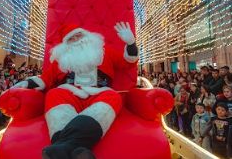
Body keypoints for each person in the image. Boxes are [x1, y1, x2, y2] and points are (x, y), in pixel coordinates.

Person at [13, 22, 139, 158]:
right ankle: (80, 151)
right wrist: (27, 83)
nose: (77, 40)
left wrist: (131, 44)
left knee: (113, 97)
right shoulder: (61, 60)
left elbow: (128, 62)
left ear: (87, 36)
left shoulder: (104, 51)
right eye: (71, 39)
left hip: (99, 93)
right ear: (66, 44)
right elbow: (45, 79)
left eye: (79, 36)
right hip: (69, 92)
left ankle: (60, 150)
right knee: (54, 94)